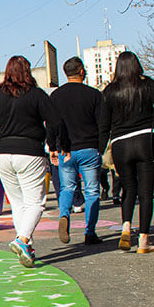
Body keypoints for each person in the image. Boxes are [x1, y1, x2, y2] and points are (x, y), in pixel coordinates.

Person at [0, 55, 61, 268]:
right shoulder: (37, 95)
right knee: (36, 203)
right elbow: (55, 121)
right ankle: (23, 239)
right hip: (29, 152)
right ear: (27, 72)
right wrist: (53, 146)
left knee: (18, 203)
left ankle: (26, 246)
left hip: (2, 154)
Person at [99, 51, 154, 254]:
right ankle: (143, 241)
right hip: (145, 141)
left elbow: (103, 125)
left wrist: (100, 151)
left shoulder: (109, 91)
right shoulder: (146, 84)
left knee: (128, 188)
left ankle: (125, 227)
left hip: (120, 145)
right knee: (146, 192)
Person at [50, 56, 105, 245]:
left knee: (67, 187)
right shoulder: (94, 94)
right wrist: (101, 147)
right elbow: (102, 124)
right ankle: (90, 232)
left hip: (66, 150)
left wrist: (53, 147)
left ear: (66, 73)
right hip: (89, 148)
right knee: (92, 192)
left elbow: (52, 125)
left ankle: (65, 214)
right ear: (82, 71)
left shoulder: (56, 96)